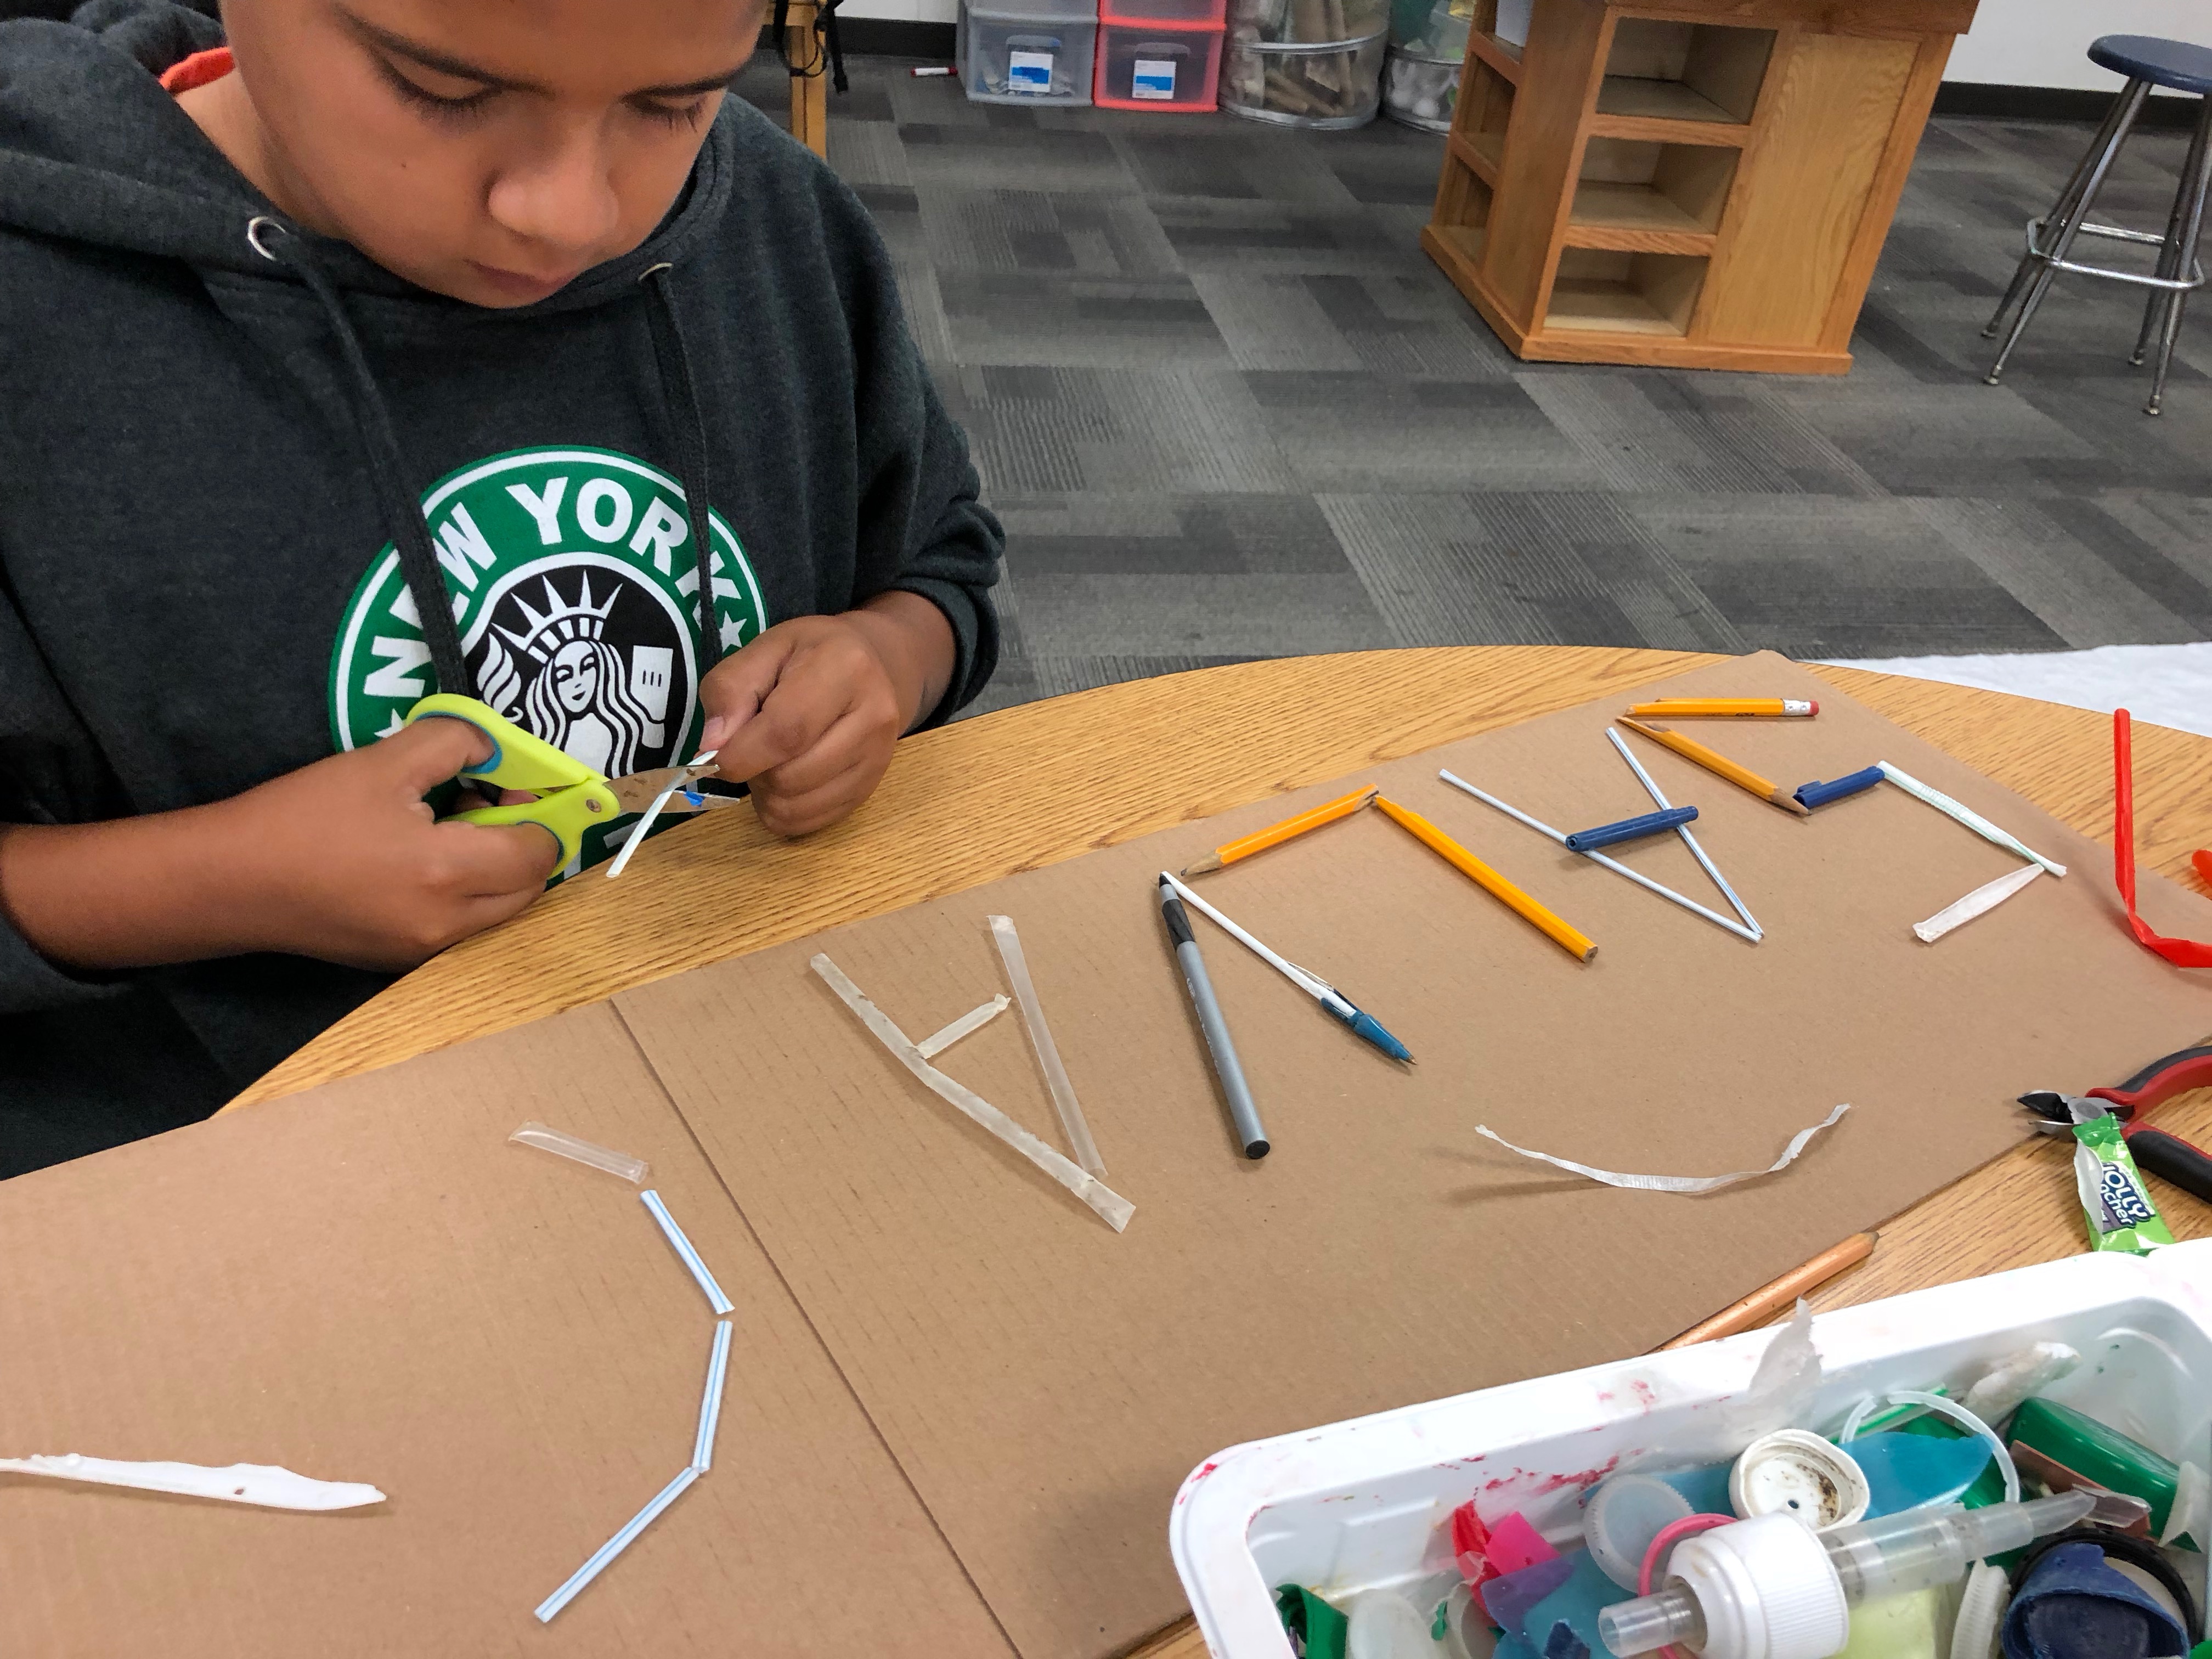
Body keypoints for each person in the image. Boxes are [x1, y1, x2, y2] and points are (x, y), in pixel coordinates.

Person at [0, 0, 1003, 1175]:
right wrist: (226, 881)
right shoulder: (38, 309)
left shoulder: (782, 228)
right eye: (445, 91)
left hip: (733, 1100)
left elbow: (939, 559)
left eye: (672, 103)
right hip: (245, 1176)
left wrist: (889, 657)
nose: (571, 213)